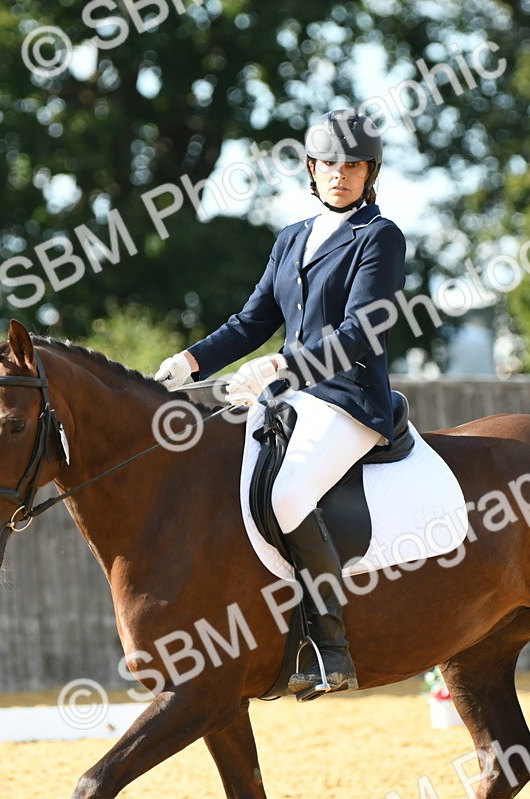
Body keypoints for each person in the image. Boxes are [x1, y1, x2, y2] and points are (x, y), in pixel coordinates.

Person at [154, 109, 406, 695]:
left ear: (370, 172)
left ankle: (332, 649)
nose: (340, 174)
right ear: (311, 170)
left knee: (287, 492)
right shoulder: (292, 237)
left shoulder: (380, 236)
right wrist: (189, 362)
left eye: (354, 165)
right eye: (329, 164)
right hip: (288, 395)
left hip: (348, 398)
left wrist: (284, 364)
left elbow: (364, 332)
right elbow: (251, 321)